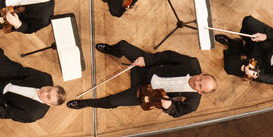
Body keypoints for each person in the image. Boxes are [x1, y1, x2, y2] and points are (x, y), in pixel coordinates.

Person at [73, 41, 213, 118]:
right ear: (202, 73)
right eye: (200, 79)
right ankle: (111, 50)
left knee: (113, 101)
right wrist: (146, 59)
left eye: (200, 86)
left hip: (147, 94)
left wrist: (168, 107)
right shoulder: (192, 64)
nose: (196, 82)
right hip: (148, 69)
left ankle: (85, 103)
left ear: (200, 93)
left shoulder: (192, 104)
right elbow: (167, 56)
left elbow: (176, 113)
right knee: (122, 46)